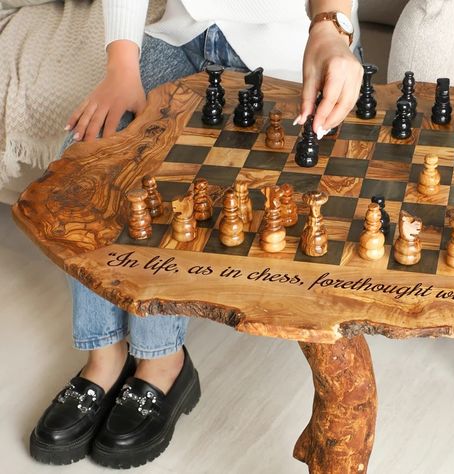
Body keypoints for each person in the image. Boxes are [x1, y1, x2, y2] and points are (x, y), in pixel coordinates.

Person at [30, 0, 363, 469]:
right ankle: (104, 357)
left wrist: (330, 27)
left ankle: (162, 363)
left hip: (299, 48)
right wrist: (122, 63)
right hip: (185, 36)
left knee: (180, 174)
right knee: (87, 158)